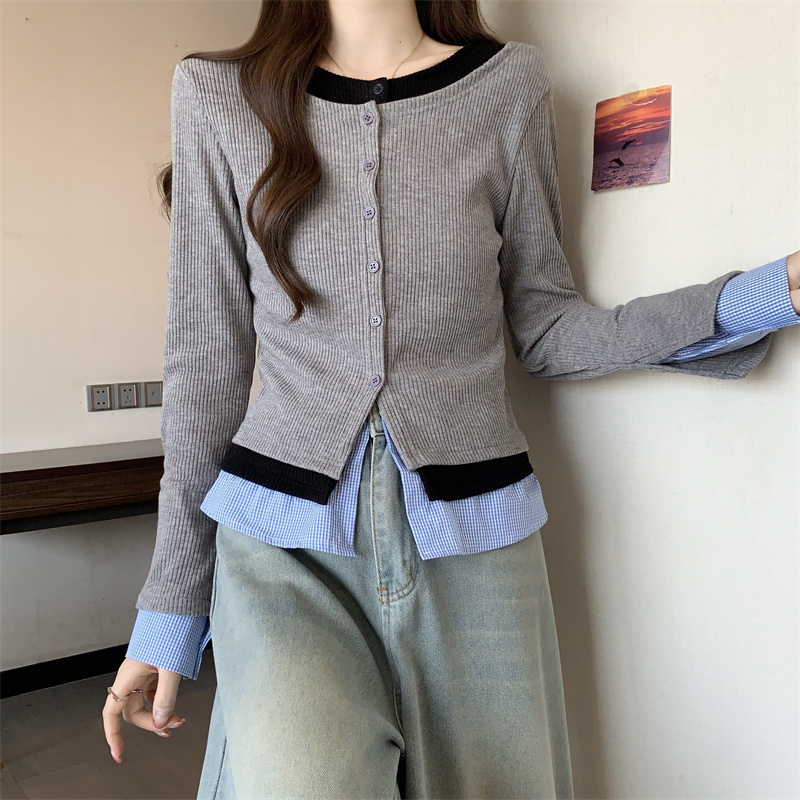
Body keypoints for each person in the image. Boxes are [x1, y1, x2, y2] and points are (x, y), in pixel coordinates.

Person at [102, 1, 800, 798]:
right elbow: (205, 366)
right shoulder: (217, 96)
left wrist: (761, 296)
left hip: (477, 546)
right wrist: (170, 605)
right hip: (282, 555)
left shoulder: (508, 86)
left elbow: (548, 328)